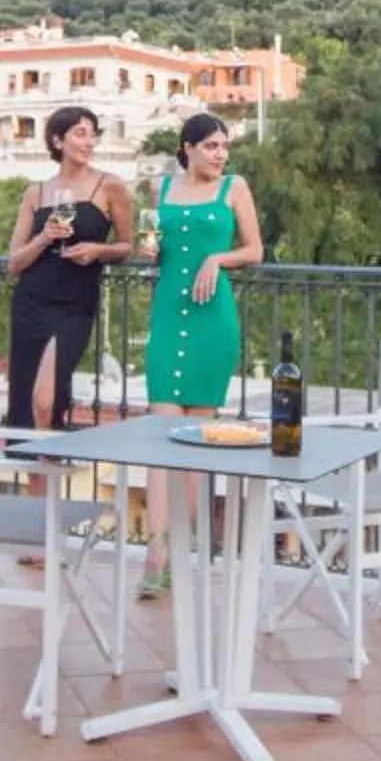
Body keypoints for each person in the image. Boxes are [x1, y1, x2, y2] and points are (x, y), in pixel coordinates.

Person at [132, 111, 264, 595]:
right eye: (211, 145)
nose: (220, 153)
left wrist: (217, 257)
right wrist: (147, 254)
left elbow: (255, 251)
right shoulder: (160, 190)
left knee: (193, 440)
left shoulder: (235, 188)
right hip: (168, 317)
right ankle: (156, 553)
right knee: (161, 436)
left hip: (213, 322)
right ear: (186, 148)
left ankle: (180, 554)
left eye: (224, 146)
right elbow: (150, 251)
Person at [0, 107, 134, 432]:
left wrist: (98, 251)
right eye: (80, 134)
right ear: (58, 141)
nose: (89, 143)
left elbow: (127, 246)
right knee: (24, 404)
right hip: (31, 303)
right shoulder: (37, 192)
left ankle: (47, 464)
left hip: (75, 306)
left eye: (93, 134)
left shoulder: (110, 186)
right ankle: (37, 477)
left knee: (46, 401)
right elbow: (14, 263)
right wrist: (45, 237)